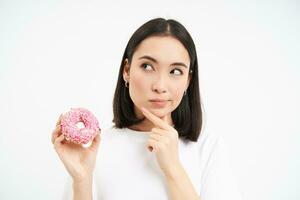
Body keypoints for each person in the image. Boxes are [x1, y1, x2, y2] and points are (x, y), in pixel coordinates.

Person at [52, 18, 242, 200]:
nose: (160, 85)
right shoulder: (96, 149)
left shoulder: (208, 147)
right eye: (147, 66)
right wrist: (82, 180)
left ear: (188, 81)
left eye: (176, 71)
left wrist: (173, 168)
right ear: (126, 70)